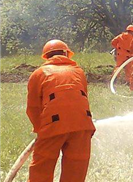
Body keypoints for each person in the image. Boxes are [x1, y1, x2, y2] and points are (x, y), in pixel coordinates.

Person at [26, 40, 96, 182]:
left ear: (46, 56)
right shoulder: (78, 72)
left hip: (53, 126)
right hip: (82, 127)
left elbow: (33, 107)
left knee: (41, 170)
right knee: (75, 172)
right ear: (66, 54)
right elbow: (81, 99)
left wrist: (40, 129)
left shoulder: (39, 74)